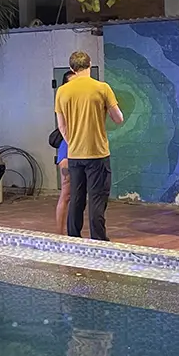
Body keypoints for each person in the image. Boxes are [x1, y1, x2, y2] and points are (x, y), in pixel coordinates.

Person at [55, 51, 124, 241]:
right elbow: (118, 118)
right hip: (98, 154)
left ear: (71, 68)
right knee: (96, 198)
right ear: (90, 65)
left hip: (75, 155)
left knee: (76, 198)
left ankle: (73, 238)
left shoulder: (62, 91)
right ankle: (98, 240)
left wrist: (73, 141)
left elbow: (61, 125)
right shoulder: (102, 88)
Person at [55, 70, 75, 234]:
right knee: (66, 193)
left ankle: (73, 232)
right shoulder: (63, 103)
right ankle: (60, 234)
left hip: (84, 149)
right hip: (68, 149)